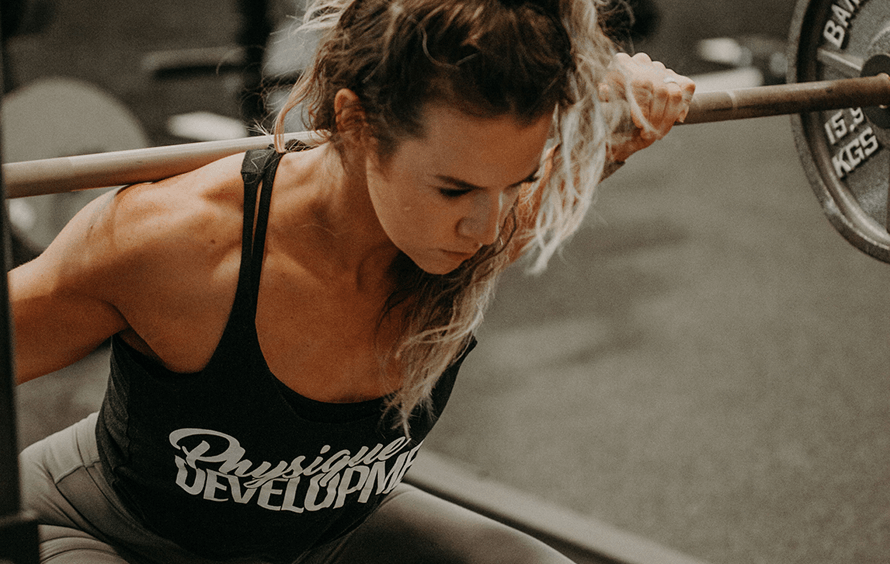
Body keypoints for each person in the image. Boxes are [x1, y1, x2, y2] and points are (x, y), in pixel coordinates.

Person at [11, 0, 695, 562]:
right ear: (354, 122)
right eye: (454, 189)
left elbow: (520, 191)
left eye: (514, 182)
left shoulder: (467, 221)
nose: (489, 229)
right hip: (107, 535)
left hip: (320, 538)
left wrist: (614, 132)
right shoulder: (171, 244)